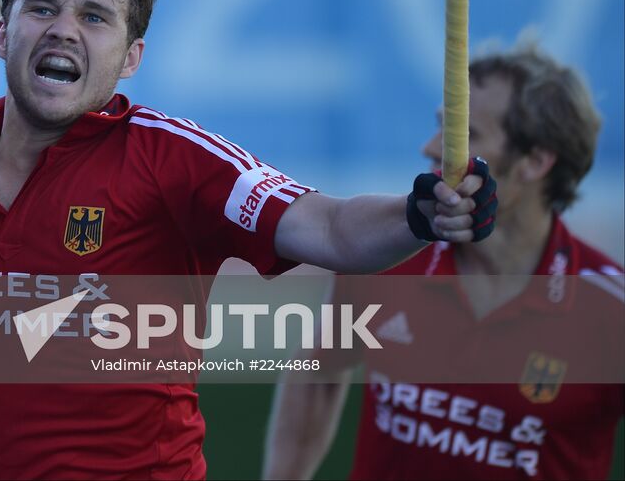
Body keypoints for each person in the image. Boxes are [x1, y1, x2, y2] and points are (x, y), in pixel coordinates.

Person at [0, 0, 498, 480]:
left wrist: (421, 214)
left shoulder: (170, 157)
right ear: (3, 33)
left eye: (93, 16)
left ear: (131, 56)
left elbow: (331, 228)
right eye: (42, 8)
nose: (63, 29)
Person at [262, 40, 623, 480]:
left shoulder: (609, 310)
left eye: (463, 134)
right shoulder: (385, 255)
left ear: (535, 161)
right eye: (440, 126)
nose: (432, 147)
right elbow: (318, 375)